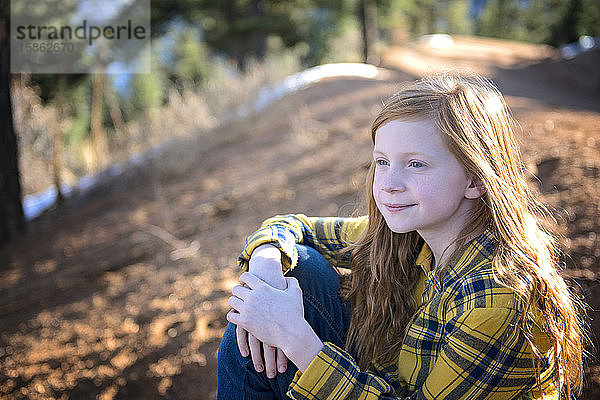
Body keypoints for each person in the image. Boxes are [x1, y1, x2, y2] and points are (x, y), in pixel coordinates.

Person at [217, 72, 585, 399]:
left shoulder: (498, 299)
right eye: (382, 162)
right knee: (295, 271)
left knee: (271, 316)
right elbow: (293, 226)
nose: (389, 184)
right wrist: (266, 263)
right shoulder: (411, 234)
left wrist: (294, 337)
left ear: (475, 179)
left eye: (416, 164)